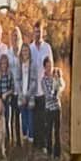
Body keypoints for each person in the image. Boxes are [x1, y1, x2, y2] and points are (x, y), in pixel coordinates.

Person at [26, 19, 54, 153]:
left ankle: (43, 144)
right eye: (36, 32)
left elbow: (51, 66)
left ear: (43, 33)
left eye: (40, 32)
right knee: (34, 117)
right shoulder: (29, 48)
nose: (37, 34)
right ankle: (36, 143)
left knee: (43, 117)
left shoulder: (47, 48)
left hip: (44, 88)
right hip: (33, 89)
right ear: (33, 33)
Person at [38, 55, 61, 160]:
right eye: (47, 66)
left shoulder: (56, 76)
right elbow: (48, 96)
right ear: (44, 67)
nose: (49, 68)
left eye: (50, 66)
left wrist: (56, 92)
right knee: (48, 131)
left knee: (57, 131)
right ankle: (49, 151)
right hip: (48, 109)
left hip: (57, 109)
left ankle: (57, 153)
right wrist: (55, 94)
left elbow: (61, 86)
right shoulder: (43, 80)